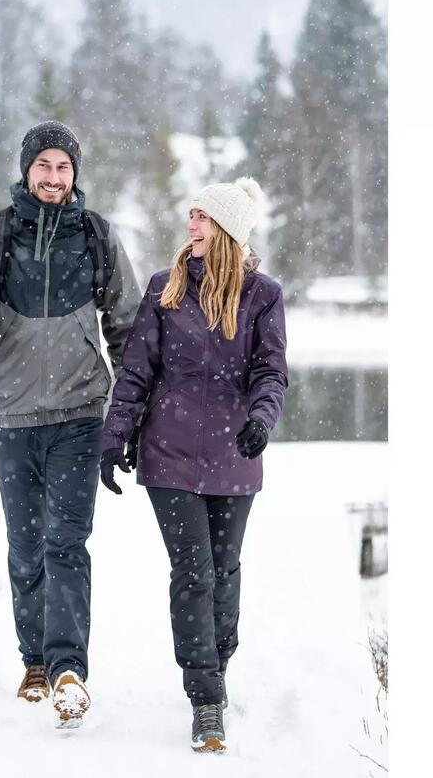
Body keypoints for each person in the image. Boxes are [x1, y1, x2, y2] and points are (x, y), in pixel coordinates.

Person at [0, 121, 141, 728]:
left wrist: (128, 414)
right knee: (26, 545)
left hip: (82, 414)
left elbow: (129, 327)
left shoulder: (97, 236)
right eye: (44, 166)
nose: (53, 178)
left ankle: (67, 671)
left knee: (67, 542)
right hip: (13, 416)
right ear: (27, 170)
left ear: (74, 174)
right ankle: (33, 660)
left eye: (63, 168)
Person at [99, 177, 288, 753]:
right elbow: (136, 373)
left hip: (234, 453)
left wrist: (260, 419)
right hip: (169, 456)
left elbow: (270, 372)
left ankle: (217, 665)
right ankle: (205, 698)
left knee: (224, 570)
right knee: (194, 572)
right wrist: (116, 437)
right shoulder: (166, 290)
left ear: (226, 229)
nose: (191, 226)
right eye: (191, 215)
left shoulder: (263, 295)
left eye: (201, 217)